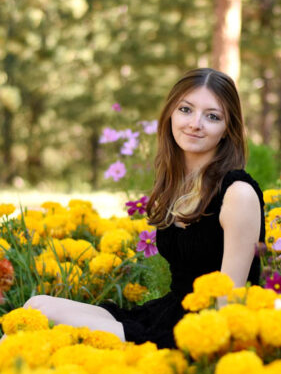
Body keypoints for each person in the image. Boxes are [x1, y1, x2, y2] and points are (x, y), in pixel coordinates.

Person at [22, 68, 265, 348]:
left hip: (197, 332)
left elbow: (229, 304)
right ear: (171, 114)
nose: (195, 123)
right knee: (35, 306)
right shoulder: (179, 184)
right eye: (186, 109)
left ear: (227, 130)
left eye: (212, 116)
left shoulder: (238, 193)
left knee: (42, 325)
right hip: (164, 314)